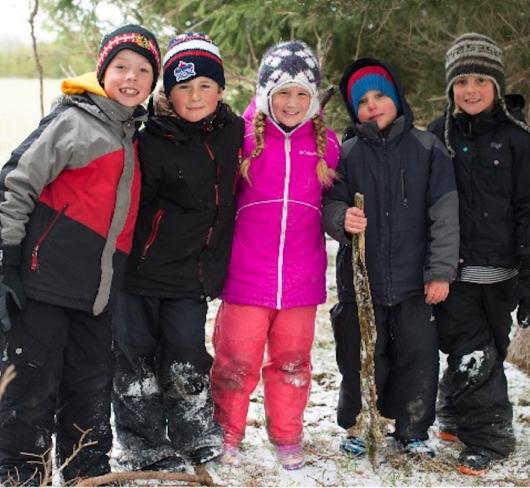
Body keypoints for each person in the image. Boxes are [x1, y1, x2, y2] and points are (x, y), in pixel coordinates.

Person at [0, 24, 160, 485]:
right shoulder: (74, 121)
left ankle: (85, 469)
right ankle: (21, 473)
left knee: (90, 384)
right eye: (121, 67)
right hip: (42, 282)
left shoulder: (134, 133)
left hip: (97, 293)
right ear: (102, 70)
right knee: (31, 385)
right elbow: (15, 182)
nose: (131, 78)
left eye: (143, 71)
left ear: (153, 82)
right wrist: (7, 261)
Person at [111, 32, 244, 472]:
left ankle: (192, 430)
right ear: (167, 92)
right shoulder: (149, 139)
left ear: (220, 90)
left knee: (186, 352)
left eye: (205, 85)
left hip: (192, 274)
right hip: (140, 271)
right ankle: (143, 442)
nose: (195, 96)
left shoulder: (234, 133)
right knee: (136, 357)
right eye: (183, 87)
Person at [210, 40, 340, 470]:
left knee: (292, 363)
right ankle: (227, 433)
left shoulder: (327, 146)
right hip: (246, 277)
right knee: (235, 362)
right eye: (282, 92)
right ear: (266, 93)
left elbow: (336, 204)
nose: (291, 102)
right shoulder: (241, 138)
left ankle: (287, 435)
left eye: (302, 93)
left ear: (314, 99)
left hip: (301, 282)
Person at [323, 58, 459, 459]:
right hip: (361, 283)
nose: (372, 105)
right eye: (362, 101)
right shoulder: (346, 154)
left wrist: (440, 271)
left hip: (415, 282)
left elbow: (444, 212)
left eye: (380, 95)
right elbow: (330, 202)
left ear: (397, 97)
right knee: (360, 356)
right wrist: (340, 219)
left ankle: (413, 428)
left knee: (417, 358)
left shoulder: (427, 149)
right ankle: (360, 423)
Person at [428, 33, 530, 476]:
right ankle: (490, 435)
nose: (471, 90)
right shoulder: (437, 136)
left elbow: (527, 209)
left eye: (481, 80)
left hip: (503, 271)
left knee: (489, 345)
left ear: (497, 85)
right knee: (470, 348)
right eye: (462, 80)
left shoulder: (517, 140)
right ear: (451, 86)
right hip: (457, 270)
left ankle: (452, 410)